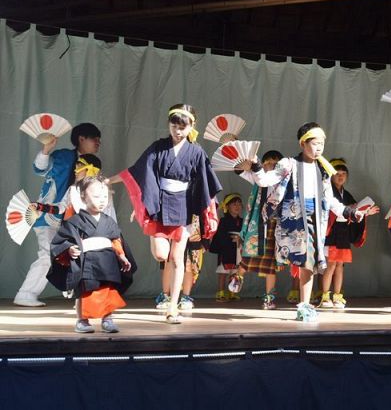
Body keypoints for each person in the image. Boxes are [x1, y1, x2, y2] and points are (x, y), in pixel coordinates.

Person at [236, 122, 366, 322]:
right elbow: (265, 181)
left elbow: (330, 199)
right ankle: (302, 304)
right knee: (304, 261)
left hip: (315, 220)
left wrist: (349, 212)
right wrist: (255, 166)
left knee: (309, 263)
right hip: (293, 220)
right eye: (315, 143)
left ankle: (304, 305)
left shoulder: (323, 169)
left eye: (322, 143)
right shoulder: (288, 164)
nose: (319, 148)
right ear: (303, 144)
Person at [114, 103, 221, 323]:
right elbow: (137, 171)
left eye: (183, 126)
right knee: (161, 255)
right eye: (174, 125)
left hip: (184, 205)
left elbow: (206, 183)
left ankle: (174, 306)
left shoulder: (196, 151)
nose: (178, 130)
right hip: (160, 202)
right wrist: (111, 182)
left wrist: (206, 212)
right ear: (169, 124)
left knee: (176, 257)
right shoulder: (158, 147)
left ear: (191, 126)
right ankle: (155, 234)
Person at [15, 123, 102, 307]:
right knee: (47, 255)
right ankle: (25, 294)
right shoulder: (63, 156)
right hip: (47, 214)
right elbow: (40, 168)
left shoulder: (92, 164)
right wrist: (46, 150)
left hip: (72, 220)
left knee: (71, 256)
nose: (98, 142)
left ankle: (78, 295)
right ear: (81, 139)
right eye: (94, 138)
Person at [48, 176, 136, 333]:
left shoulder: (109, 221)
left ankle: (107, 319)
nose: (102, 200)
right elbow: (64, 241)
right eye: (96, 197)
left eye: (105, 197)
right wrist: (69, 249)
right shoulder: (75, 221)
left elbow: (116, 240)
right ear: (83, 197)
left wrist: (122, 256)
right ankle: (82, 321)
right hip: (87, 262)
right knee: (85, 291)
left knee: (108, 290)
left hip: (107, 261)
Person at [319, 158, 379, 309]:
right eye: (337, 173)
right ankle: (325, 296)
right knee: (331, 265)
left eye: (343, 174)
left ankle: (337, 296)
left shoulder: (347, 194)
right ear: (331, 175)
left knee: (340, 265)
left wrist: (366, 212)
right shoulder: (328, 192)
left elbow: (355, 211)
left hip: (343, 232)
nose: (340, 176)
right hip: (331, 231)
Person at [232, 150, 286, 310]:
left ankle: (269, 298)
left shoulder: (285, 182)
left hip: (275, 226)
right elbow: (240, 171)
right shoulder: (258, 177)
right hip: (258, 224)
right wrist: (238, 154)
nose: (271, 165)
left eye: (275, 163)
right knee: (248, 257)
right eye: (268, 162)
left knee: (270, 264)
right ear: (262, 164)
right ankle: (238, 277)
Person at [209, 193, 244, 302]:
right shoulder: (223, 221)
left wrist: (241, 239)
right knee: (223, 271)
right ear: (227, 206)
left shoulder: (242, 221)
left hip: (238, 249)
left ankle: (232, 292)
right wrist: (230, 239)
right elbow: (220, 236)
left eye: (239, 204)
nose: (237, 206)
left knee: (235, 271)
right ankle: (220, 292)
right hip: (226, 248)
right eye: (234, 204)